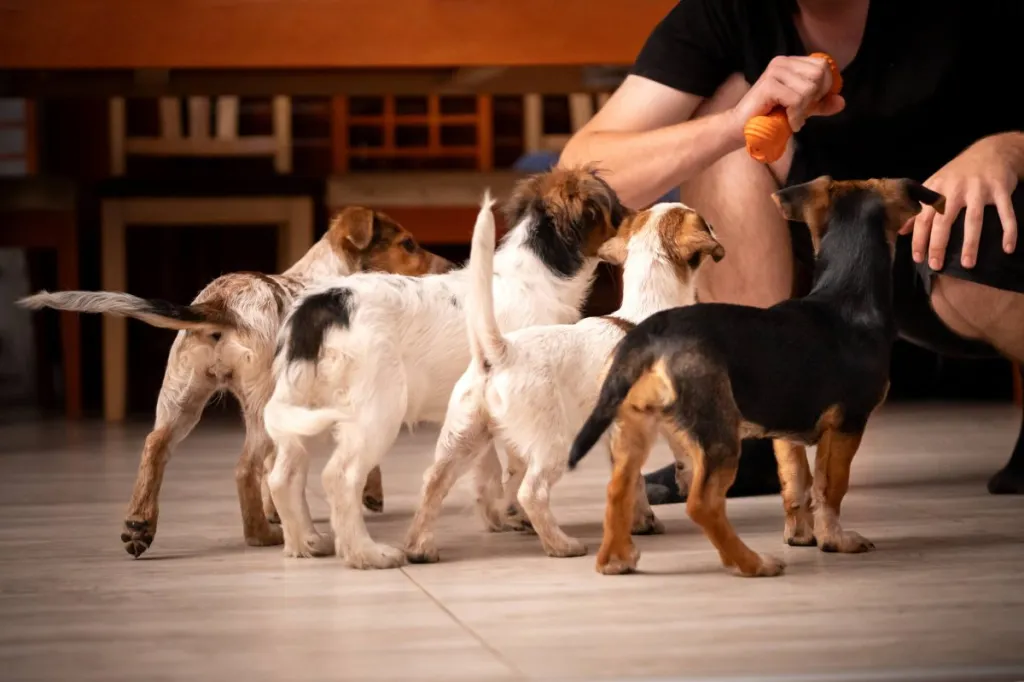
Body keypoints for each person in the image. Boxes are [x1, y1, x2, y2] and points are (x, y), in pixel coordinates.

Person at [559, 0, 1024, 503]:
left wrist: (1007, 148)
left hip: (967, 248)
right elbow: (582, 174)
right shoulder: (726, 15)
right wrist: (733, 123)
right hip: (833, 273)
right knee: (721, 126)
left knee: (971, 235)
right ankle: (752, 429)